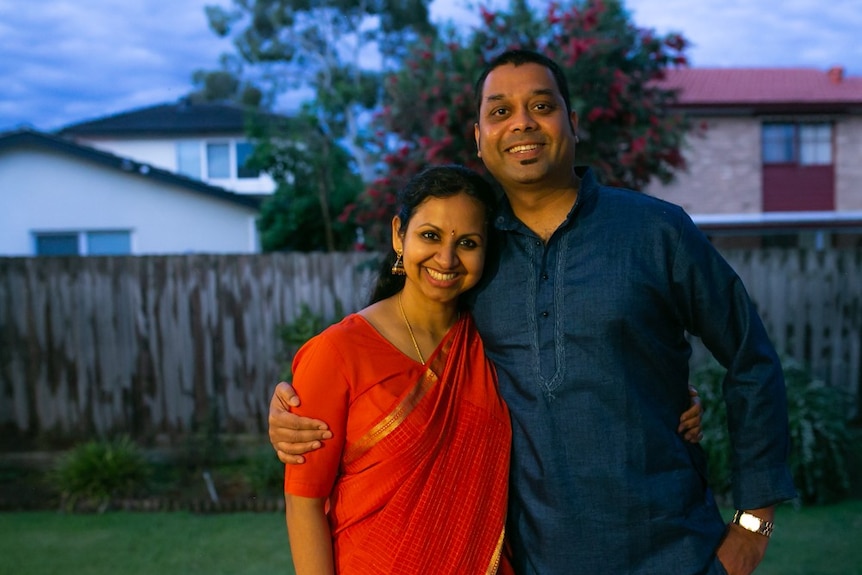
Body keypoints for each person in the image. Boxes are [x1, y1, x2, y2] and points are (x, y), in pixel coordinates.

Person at [272, 49, 786, 575]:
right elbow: (394, 355)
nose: (521, 122)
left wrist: (753, 523)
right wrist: (292, 413)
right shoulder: (475, 252)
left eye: (541, 105)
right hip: (533, 560)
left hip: (673, 552)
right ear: (478, 137)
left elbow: (751, 358)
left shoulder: (656, 232)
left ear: (573, 123)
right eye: (500, 111)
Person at [282, 165, 514, 574]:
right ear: (398, 235)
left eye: (468, 242)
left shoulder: (494, 344)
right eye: (430, 235)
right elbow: (304, 504)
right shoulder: (338, 352)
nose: (446, 258)